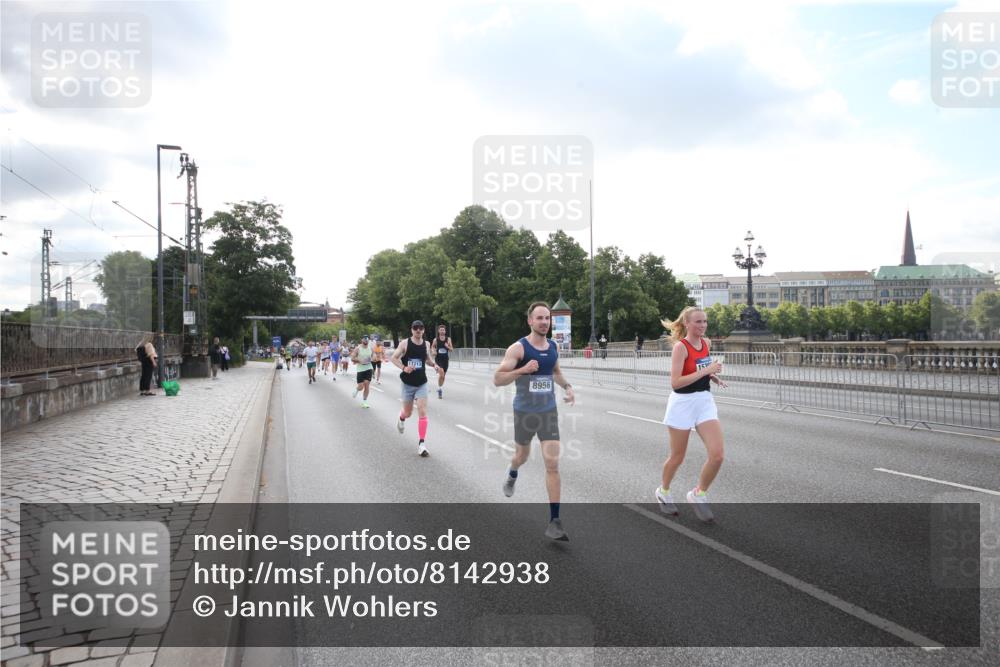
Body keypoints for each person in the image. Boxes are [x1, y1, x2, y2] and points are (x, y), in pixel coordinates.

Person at [494, 302, 575, 541]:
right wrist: (523, 370)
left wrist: (568, 387)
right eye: (539, 318)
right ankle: (512, 472)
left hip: (548, 412)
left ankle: (555, 521)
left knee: (552, 464)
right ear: (530, 321)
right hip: (524, 412)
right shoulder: (518, 349)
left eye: (547, 318)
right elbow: (498, 379)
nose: (544, 322)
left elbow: (555, 372)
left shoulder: (553, 346)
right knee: (523, 456)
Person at [656, 306, 728, 522]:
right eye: (698, 322)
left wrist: (713, 377)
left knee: (717, 454)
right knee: (678, 456)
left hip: (704, 401)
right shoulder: (681, 347)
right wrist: (706, 371)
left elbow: (699, 368)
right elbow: (676, 382)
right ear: (687, 324)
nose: (703, 325)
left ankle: (698, 493)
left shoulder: (706, 343)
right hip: (682, 403)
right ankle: (664, 491)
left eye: (705, 321)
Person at [391, 320, 442, 457]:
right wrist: (404, 367)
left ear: (423, 330)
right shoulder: (405, 343)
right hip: (407, 384)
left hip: (421, 383)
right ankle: (401, 418)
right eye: (415, 328)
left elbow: (427, 359)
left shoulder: (426, 344)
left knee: (422, 411)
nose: (418, 330)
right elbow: (394, 358)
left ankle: (422, 444)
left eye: (420, 328)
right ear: (411, 330)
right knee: (408, 413)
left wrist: (435, 365)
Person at [351, 335, 375, 408]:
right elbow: (352, 358)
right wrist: (359, 360)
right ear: (362, 340)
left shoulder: (370, 348)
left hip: (368, 368)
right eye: (364, 339)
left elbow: (373, 356)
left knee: (367, 385)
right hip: (360, 369)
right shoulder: (357, 349)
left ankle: (364, 402)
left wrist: (373, 358)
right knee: (361, 386)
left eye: (367, 339)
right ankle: (357, 390)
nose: (366, 340)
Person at [431, 324, 453, 399]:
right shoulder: (435, 339)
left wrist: (448, 347)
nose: (442, 331)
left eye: (443, 330)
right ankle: (440, 389)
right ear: (438, 331)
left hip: (445, 360)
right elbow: (433, 347)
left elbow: (451, 349)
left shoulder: (448, 339)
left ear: (445, 331)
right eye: (441, 330)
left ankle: (439, 388)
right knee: (442, 374)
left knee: (443, 377)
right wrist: (433, 351)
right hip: (438, 359)